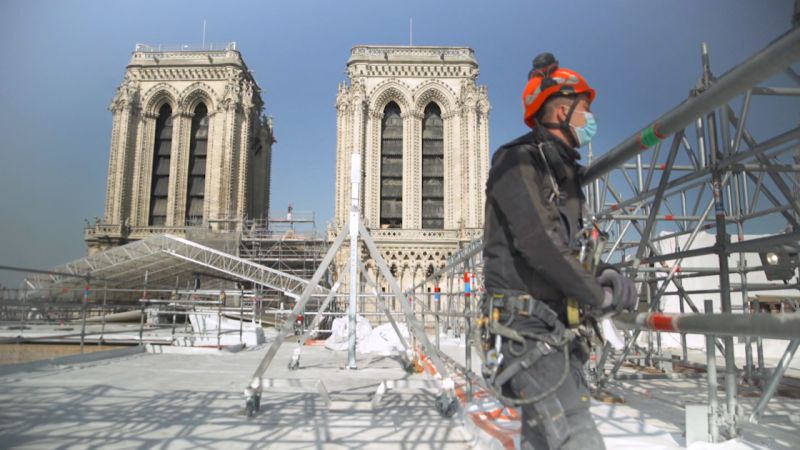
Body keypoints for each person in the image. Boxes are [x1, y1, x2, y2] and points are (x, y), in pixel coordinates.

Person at [481, 53, 638, 449]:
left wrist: (602, 273)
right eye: (586, 110)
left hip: (552, 329)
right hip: (526, 329)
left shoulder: (562, 174)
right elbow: (540, 242)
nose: (590, 119)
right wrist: (596, 295)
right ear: (564, 110)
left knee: (542, 438)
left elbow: (567, 245)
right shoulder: (517, 161)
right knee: (575, 435)